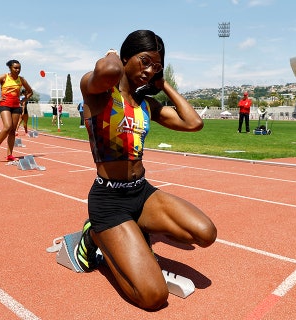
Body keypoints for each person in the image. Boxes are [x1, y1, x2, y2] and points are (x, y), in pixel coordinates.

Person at [75, 30, 217, 310]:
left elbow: (193, 123)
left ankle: (135, 228)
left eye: (156, 66)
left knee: (205, 233)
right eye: (144, 61)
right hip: (109, 202)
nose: (149, 70)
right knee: (153, 297)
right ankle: (95, 236)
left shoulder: (146, 105)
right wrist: (113, 57)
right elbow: (108, 70)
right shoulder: (99, 94)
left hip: (141, 193)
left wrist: (164, 85)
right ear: (125, 57)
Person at [0, 59, 33, 163]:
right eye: (15, 68)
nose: (17, 70)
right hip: (5, 104)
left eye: (19, 68)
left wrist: (24, 99)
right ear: (10, 68)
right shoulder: (4, 77)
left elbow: (30, 91)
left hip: (16, 106)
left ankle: (9, 155)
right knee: (7, 127)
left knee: (12, 131)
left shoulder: (21, 80)